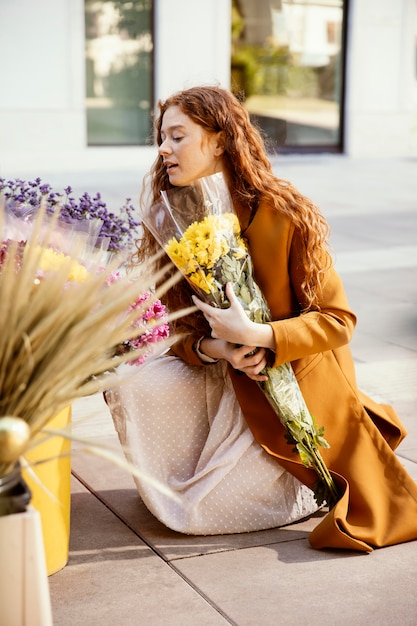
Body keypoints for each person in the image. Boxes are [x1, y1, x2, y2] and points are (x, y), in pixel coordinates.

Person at [105, 85, 417, 552]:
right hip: (224, 372)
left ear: (220, 140)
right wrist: (220, 347)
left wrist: (260, 335)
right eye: (161, 139)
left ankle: (305, 486)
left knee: (197, 516)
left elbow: (338, 320)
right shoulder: (172, 218)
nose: (164, 150)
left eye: (177, 137)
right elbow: (174, 329)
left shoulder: (284, 212)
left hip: (295, 386)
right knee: (133, 380)